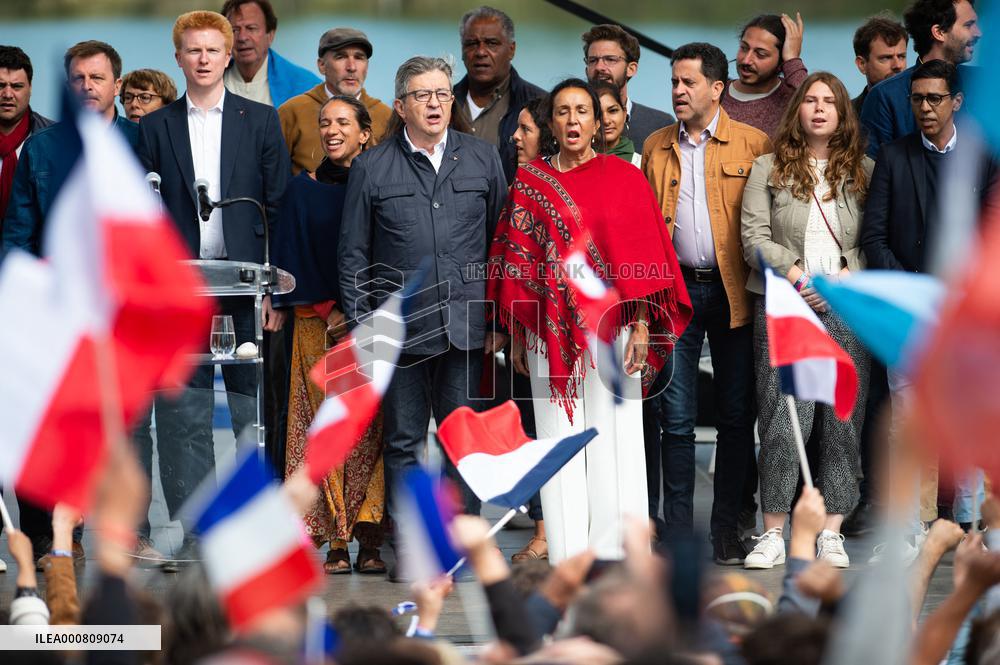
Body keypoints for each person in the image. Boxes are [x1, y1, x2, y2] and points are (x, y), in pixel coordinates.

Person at [488, 77, 692, 564]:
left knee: (616, 436)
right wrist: (518, 332)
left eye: (583, 111)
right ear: (551, 123)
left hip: (614, 329)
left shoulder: (625, 178)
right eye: (563, 112)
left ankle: (616, 552)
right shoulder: (531, 182)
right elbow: (517, 261)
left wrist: (642, 325)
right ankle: (566, 552)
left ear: (599, 123)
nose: (574, 120)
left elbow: (645, 259)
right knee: (557, 434)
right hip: (548, 331)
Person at [338, 56, 507, 580]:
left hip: (465, 329)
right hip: (400, 333)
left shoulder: (482, 158)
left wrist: (498, 322)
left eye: (441, 94)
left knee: (463, 443)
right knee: (405, 443)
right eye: (422, 95)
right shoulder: (372, 166)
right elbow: (352, 255)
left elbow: (501, 245)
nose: (435, 103)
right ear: (400, 105)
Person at [137, 11, 290, 549]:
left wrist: (271, 291)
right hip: (179, 290)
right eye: (192, 51)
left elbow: (277, 208)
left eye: (211, 50)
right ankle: (200, 525)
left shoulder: (262, 120)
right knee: (185, 412)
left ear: (229, 56)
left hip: (245, 287)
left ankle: (253, 518)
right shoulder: (155, 127)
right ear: (177, 58)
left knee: (253, 410)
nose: (202, 60)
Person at [642, 42, 771, 565]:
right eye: (673, 82)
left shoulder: (753, 143)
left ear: (718, 88)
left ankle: (726, 529)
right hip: (675, 292)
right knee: (674, 417)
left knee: (738, 415)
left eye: (687, 83)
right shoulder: (654, 146)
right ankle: (677, 533)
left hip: (735, 289)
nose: (677, 91)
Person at [740, 72, 874, 569]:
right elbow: (753, 238)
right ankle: (773, 530)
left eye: (829, 102)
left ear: (843, 112)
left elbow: (873, 240)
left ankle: (832, 531)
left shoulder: (865, 171)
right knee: (781, 417)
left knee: (842, 417)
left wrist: (840, 279)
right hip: (785, 304)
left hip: (846, 304)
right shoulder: (767, 168)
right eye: (810, 100)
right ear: (797, 109)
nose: (819, 109)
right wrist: (800, 278)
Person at [861, 60, 997, 543]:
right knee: (908, 420)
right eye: (916, 99)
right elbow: (874, 238)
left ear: (956, 101)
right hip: (911, 310)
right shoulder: (894, 157)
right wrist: (916, 292)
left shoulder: (983, 156)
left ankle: (970, 523)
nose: (923, 108)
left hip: (967, 315)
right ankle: (907, 527)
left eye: (934, 98)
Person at [272, 95, 386, 575]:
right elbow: (288, 258)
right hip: (316, 325)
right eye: (324, 123)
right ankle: (336, 539)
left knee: (370, 429)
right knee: (324, 427)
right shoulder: (303, 190)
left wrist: (364, 311)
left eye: (343, 122)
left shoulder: (382, 185)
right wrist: (328, 308)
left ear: (365, 132)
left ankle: (372, 536)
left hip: (371, 325)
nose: (332, 130)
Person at [3, 40, 136, 255]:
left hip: (126, 275)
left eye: (97, 77)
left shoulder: (142, 141)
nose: (87, 86)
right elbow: (18, 235)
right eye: (78, 78)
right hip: (59, 276)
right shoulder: (39, 147)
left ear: (117, 86)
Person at [505, 94, 555, 565]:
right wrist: (517, 331)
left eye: (526, 129)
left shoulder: (571, 182)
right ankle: (543, 530)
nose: (516, 138)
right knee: (534, 428)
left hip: (576, 331)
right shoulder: (520, 182)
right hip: (529, 330)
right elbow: (511, 262)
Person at [860, 0, 982, 157]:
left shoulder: (987, 84)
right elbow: (872, 171)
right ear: (939, 32)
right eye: (968, 25)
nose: (978, 33)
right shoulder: (885, 97)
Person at [278, 27, 392, 175]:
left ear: (367, 66)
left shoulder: (386, 116)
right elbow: (273, 177)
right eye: (341, 57)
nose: (351, 67)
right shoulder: (291, 111)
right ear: (322, 65)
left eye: (359, 57)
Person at [453, 6, 545, 183]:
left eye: (491, 43)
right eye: (472, 44)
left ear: (511, 50)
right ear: (462, 50)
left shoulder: (540, 105)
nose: (480, 52)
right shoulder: (443, 104)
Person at [582, 24, 674, 152]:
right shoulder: (570, 121)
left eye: (610, 59)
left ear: (631, 69)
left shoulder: (660, 124)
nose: (599, 67)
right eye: (593, 60)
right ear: (586, 70)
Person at [723, 13, 808, 139]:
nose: (746, 60)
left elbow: (817, 104)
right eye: (744, 48)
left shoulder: (792, 98)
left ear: (781, 61)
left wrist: (793, 60)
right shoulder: (716, 94)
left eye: (761, 54)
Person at [221, 0, 320, 107]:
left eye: (251, 28)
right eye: (234, 30)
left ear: (270, 35)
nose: (242, 37)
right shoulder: (209, 81)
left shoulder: (306, 87)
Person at [0, 46, 52, 226]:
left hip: (36, 251)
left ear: (30, 88)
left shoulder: (55, 140)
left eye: (16, 86)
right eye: (0, 85)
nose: (7, 94)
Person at [851, 14, 908, 116]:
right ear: (862, 64)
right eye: (886, 58)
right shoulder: (847, 115)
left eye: (901, 56)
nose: (897, 65)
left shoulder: (924, 108)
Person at [593, 80, 641, 167]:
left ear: (624, 114)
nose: (606, 121)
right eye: (597, 114)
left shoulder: (642, 164)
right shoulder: (572, 162)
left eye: (613, 111)